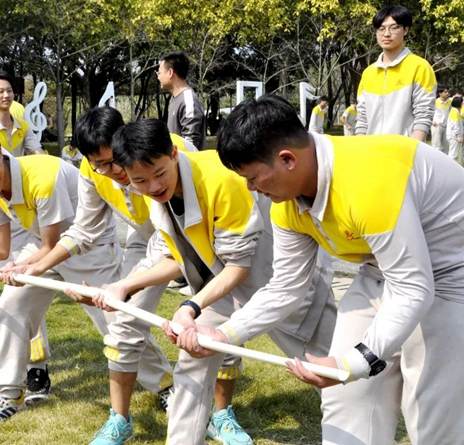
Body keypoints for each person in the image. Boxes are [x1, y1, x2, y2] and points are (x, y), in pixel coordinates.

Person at [186, 94, 464, 445]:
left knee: (434, 417)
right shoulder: (285, 203)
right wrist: (227, 335)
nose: (252, 190)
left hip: (462, 272)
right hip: (382, 270)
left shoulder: (368, 181)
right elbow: (286, 286)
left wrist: (356, 363)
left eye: (253, 178)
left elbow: (413, 289)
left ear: (287, 159)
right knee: (345, 400)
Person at [97, 118, 336, 445]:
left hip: (282, 283)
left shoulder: (221, 179)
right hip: (224, 290)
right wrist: (127, 285)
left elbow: (239, 267)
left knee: (334, 372)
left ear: (174, 153)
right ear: (125, 174)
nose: (153, 187)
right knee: (193, 359)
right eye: (140, 180)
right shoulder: (154, 195)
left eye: (159, 174)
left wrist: (190, 305)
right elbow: (174, 258)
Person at [4, 108, 196, 444]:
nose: (110, 172)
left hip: (191, 232)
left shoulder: (169, 152)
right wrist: (39, 265)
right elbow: (84, 228)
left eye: (113, 163)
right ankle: (124, 417)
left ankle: (209, 407)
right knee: (123, 320)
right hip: (144, 235)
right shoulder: (91, 171)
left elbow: (189, 229)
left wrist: (126, 283)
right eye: (99, 165)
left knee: (215, 317)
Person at [0, 122, 126, 427]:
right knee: (12, 305)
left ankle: (164, 384)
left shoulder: (41, 175)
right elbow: (0, 249)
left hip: (87, 246)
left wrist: (24, 267)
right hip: (43, 246)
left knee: (117, 323)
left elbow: (53, 245)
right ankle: (9, 393)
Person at [355, 5, 436, 140]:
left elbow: (423, 114)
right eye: (381, 28)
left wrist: (413, 150)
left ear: (405, 30)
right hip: (371, 151)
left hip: (403, 151)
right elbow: (362, 117)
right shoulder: (368, 73)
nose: (386, 33)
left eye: (394, 27)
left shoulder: (420, 67)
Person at [0, 72, 44, 156]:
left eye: (9, 91)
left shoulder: (23, 126)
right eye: (1, 91)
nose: (6, 95)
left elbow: (39, 154)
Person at [158, 51, 207, 150]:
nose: (158, 77)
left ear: (170, 73)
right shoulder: (175, 98)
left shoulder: (188, 100)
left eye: (159, 72)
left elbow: (191, 144)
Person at [431, 85, 450, 153]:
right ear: (440, 93)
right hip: (437, 125)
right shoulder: (435, 102)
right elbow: (429, 112)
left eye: (447, 92)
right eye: (445, 92)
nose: (447, 93)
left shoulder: (449, 102)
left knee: (446, 146)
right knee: (436, 146)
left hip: (446, 126)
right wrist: (432, 121)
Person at [446, 96, 464, 164]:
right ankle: (450, 169)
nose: (463, 104)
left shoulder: (456, 111)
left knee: (454, 154)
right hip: (453, 136)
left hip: (454, 136)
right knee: (453, 154)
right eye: (462, 103)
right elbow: (454, 125)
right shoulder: (454, 111)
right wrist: (458, 135)